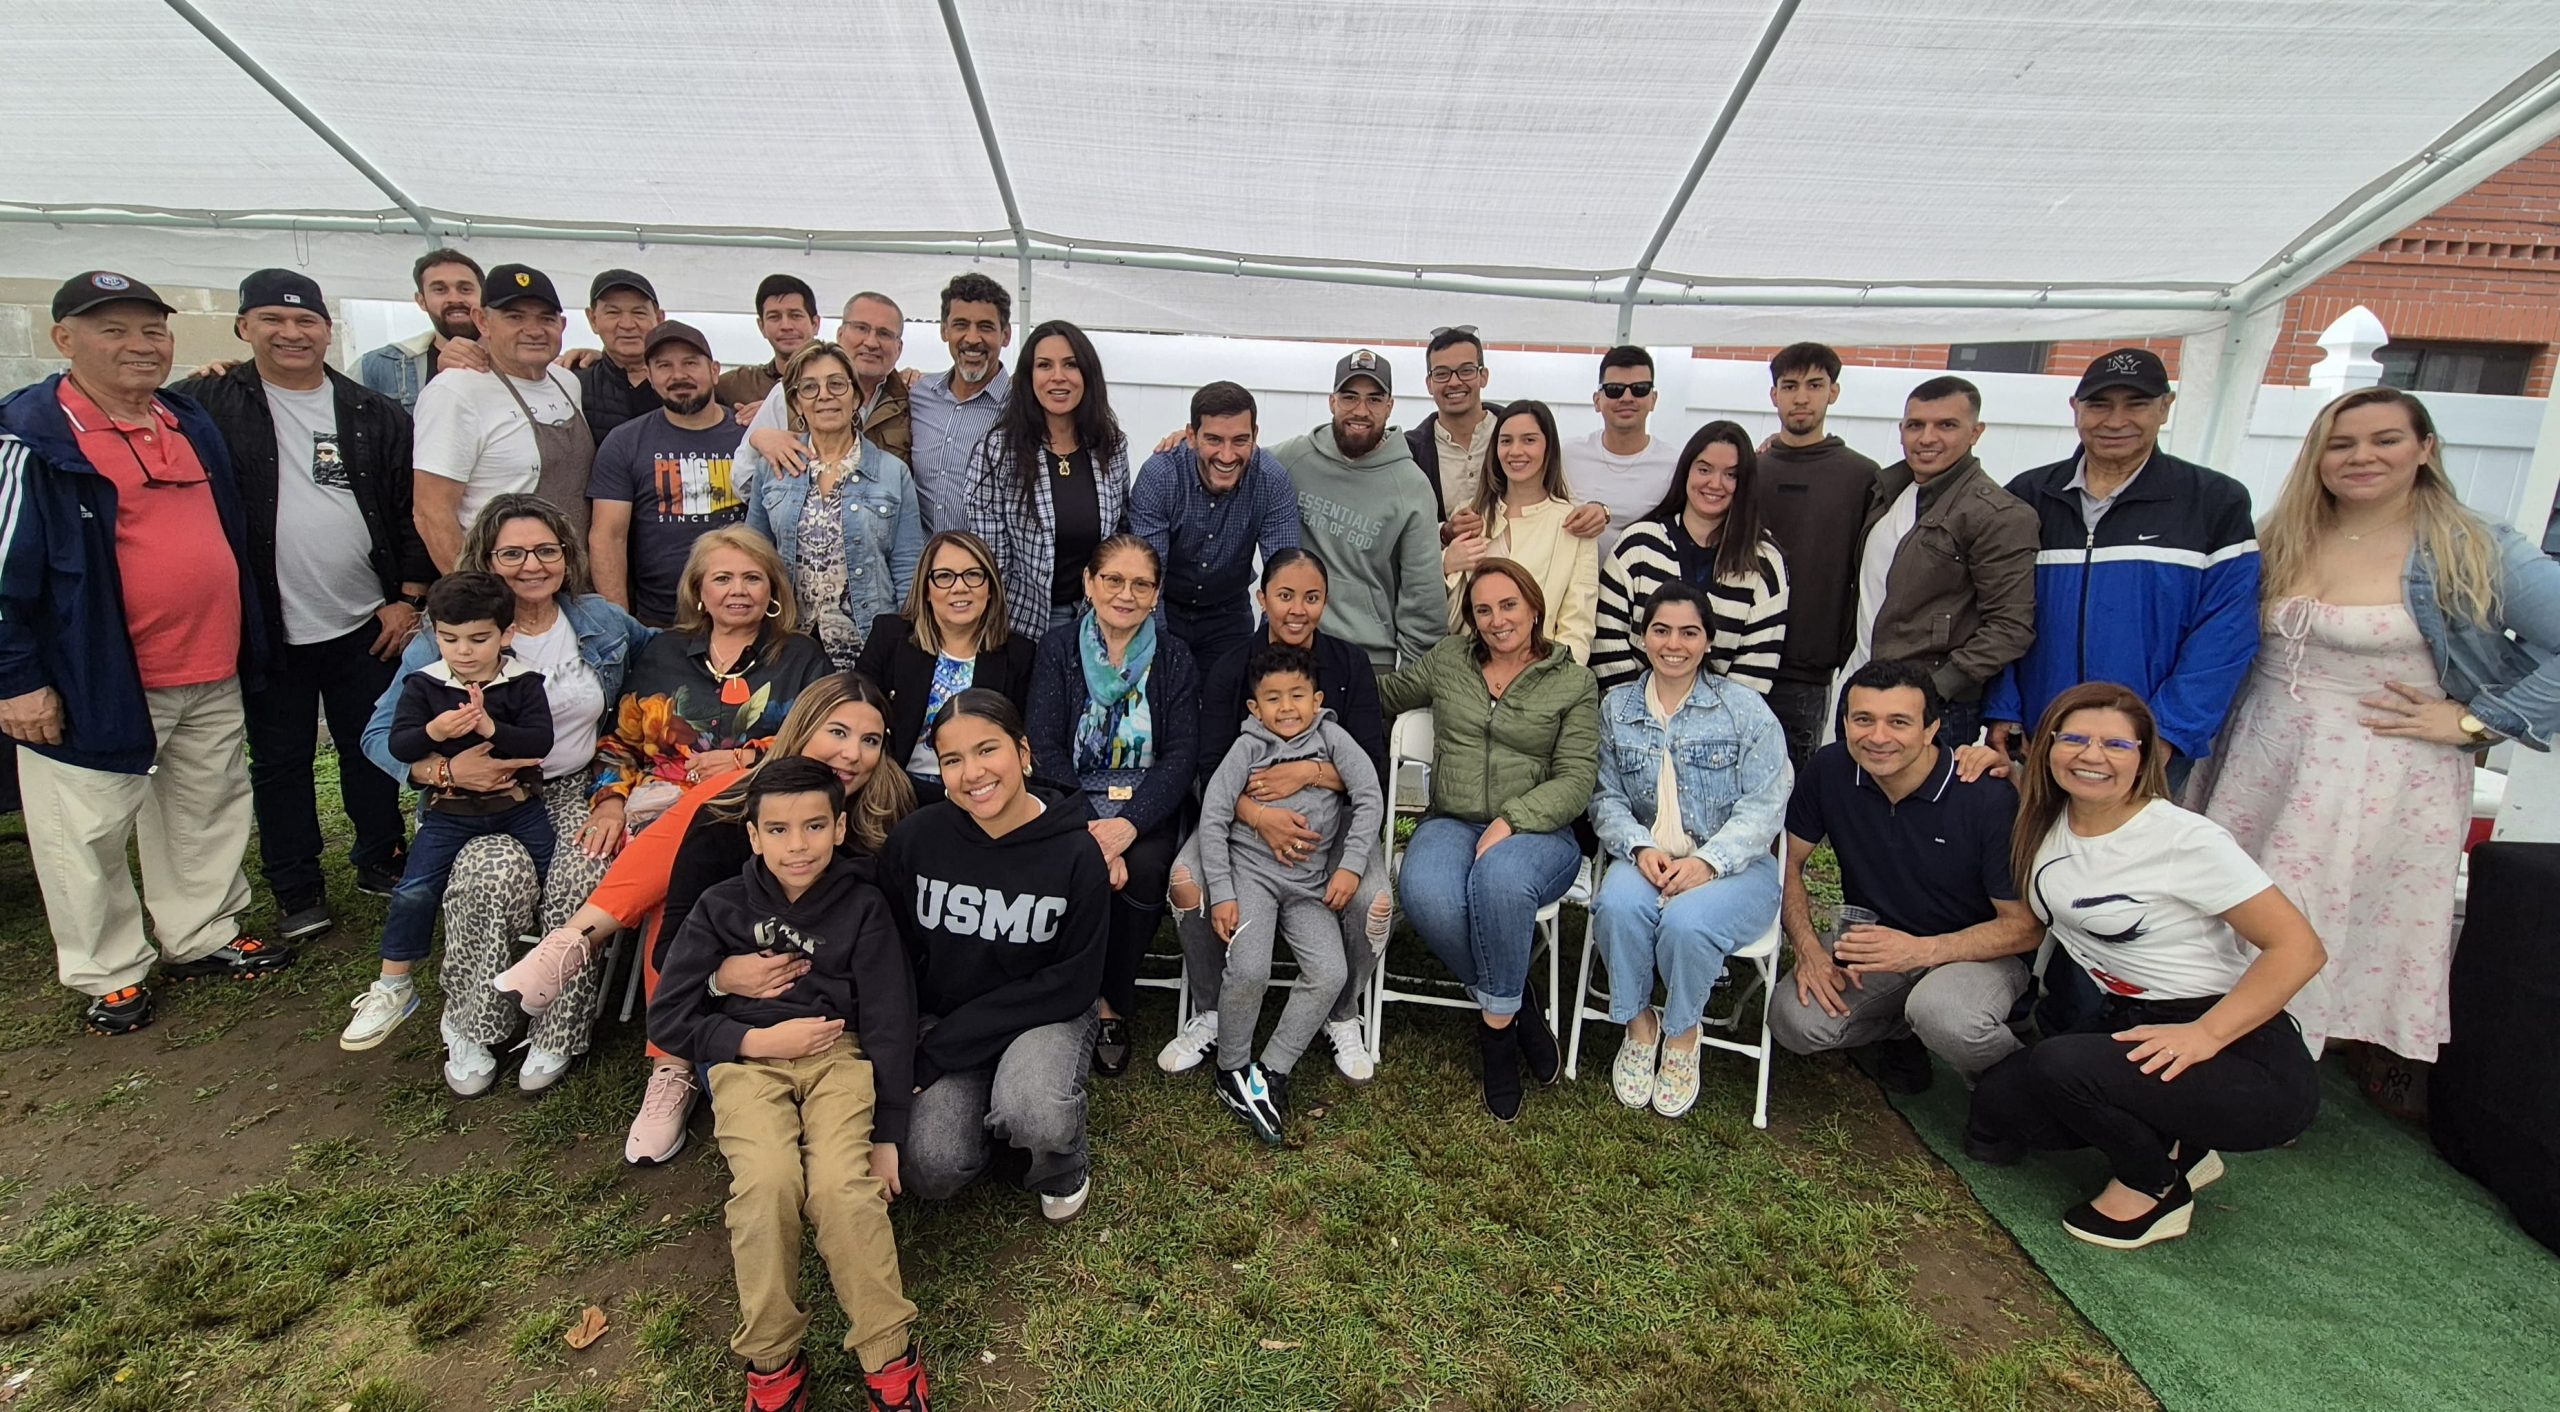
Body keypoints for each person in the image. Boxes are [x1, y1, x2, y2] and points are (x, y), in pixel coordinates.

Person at [2197, 386, 2560, 1079]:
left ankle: (2274, 1078)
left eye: (2385, 440)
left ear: (2425, 449)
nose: (2361, 456)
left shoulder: (2471, 545)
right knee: (2231, 905)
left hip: (2378, 776)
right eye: (2341, 443)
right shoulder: (2283, 532)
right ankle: (2213, 1051)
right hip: (2257, 760)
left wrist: (2479, 720)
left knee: (2312, 919)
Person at [0, 271, 291, 1036]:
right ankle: (109, 970)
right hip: (96, 675)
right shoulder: (32, 434)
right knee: (85, 829)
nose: (140, 345)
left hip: (208, 661)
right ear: (64, 339)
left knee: (206, 806)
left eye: (152, 330)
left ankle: (201, 933)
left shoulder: (186, 418)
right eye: (114, 330)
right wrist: (16, 678)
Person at [495, 673, 918, 1167]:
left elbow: (892, 962)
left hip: (835, 1016)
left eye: (870, 741)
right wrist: (720, 977)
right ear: (803, 728)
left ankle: (578, 941)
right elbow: (674, 944)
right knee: (711, 819)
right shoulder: (729, 818)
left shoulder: (887, 816)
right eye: (838, 732)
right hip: (739, 1016)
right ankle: (669, 1065)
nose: (852, 755)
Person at [1966, 683, 2325, 1251]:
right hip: (2129, 1016)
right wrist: (1994, 764)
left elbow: (2300, 948)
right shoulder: (2046, 816)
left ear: (2146, 756)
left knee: (2060, 1066)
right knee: (1997, 1112)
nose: (2092, 755)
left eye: (2116, 744)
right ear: (2046, 745)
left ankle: (2155, 1184)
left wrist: (2205, 1035)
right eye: (2074, 739)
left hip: (2234, 1045)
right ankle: (2184, 1143)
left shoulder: (2184, 839)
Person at [647, 755, 933, 1411]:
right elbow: (670, 1017)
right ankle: (773, 1361)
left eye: (814, 827)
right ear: (753, 835)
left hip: (839, 1056)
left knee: (841, 1187)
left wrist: (888, 1134)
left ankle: (888, 1355)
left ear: (840, 828)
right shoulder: (721, 906)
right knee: (767, 1185)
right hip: (748, 1064)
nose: (797, 845)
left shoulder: (863, 906)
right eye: (778, 830)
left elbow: (890, 1021)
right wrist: (751, 1041)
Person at [361, 495, 654, 1094]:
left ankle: (558, 1028)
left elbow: (670, 661)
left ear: (567, 556)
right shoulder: (450, 636)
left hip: (576, 784)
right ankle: (474, 1022)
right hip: (478, 796)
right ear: (487, 560)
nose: (532, 565)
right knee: (491, 875)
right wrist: (444, 773)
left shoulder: (600, 621)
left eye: (546, 550)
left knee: (584, 871)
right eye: (512, 553)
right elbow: (378, 734)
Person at [170, 268, 430, 939]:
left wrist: (406, 597)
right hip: (267, 622)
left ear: (326, 329)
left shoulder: (373, 411)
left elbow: (408, 507)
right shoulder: (203, 403)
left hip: (365, 617)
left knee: (369, 744)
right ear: (243, 327)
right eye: (272, 320)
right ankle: (296, 885)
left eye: (305, 320)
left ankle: (380, 855)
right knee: (279, 758)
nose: (291, 333)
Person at [1984, 348, 2261, 790]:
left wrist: (2170, 731)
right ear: (2075, 408)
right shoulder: (2028, 495)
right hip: (2044, 733)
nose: (2115, 421)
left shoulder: (2213, 501)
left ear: (2165, 407)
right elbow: (1998, 610)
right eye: (2099, 405)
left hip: (2149, 745)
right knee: (2035, 835)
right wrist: (2004, 707)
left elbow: (2225, 631)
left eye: (2136, 404)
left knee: (2136, 838)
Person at [1381, 558, 1598, 1120]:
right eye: (1483, 610)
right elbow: (1385, 695)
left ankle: (1496, 1038)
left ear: (1533, 608)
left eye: (1508, 605)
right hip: (1451, 821)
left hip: (1539, 832)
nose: (1497, 620)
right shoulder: (1449, 659)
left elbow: (1577, 779)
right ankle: (1517, 1001)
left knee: (1499, 880)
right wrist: (1312, 670)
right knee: (1425, 891)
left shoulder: (1572, 681)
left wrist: (1513, 819)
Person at [884, 689, 1111, 1225]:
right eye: (952, 759)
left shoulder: (1077, 852)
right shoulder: (916, 840)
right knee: (930, 1165)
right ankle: (991, 1130)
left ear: (1023, 752)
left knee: (1034, 1111)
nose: (973, 773)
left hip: (1044, 1016)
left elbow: (1073, 983)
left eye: (987, 749)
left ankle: (1058, 1163)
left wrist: (943, 1048)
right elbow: (894, 952)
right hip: (947, 1016)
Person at [1162, 548, 1389, 1083]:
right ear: (1262, 598)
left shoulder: (1348, 664)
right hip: (1240, 824)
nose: (1297, 609)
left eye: (1311, 597)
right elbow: (1210, 768)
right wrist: (1259, 816)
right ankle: (1212, 1009)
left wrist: (1308, 773)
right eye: (1285, 596)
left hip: (1330, 826)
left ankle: (1341, 1012)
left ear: (1325, 602)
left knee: (1372, 900)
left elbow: (1370, 772)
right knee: (1187, 879)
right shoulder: (1232, 666)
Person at [1768, 659, 2040, 1092]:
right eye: (1863, 719)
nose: (1878, 737)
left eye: (1898, 722)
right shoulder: (1831, 769)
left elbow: (2025, 928)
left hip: (1979, 953)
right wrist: (1808, 949)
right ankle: (1903, 1029)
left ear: (1931, 729)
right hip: (1878, 942)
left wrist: (1920, 951)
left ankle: (2025, 1087)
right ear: (1844, 723)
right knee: (1794, 1020)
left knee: (1946, 1015)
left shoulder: (1984, 794)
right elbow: (1787, 861)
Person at [1587, 584, 1789, 1118]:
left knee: (1686, 923)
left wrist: (1708, 862)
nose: (1673, 644)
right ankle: (1639, 1025)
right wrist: (1638, 846)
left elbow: (1766, 804)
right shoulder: (1617, 708)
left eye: (1688, 632)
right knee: (1616, 906)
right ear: (1642, 637)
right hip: (1647, 857)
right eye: (1661, 630)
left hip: (1735, 867)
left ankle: (1682, 1032)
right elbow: (1604, 796)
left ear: (1708, 642)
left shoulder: (1744, 709)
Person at [342, 572, 557, 1052]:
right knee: (415, 888)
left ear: (506, 634)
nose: (463, 651)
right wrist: (435, 733)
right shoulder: (424, 685)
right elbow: (399, 744)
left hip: (517, 806)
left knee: (556, 873)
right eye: (449, 638)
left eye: (478, 639)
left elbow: (539, 742)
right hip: (450, 811)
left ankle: (550, 963)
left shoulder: (524, 683)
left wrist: (489, 726)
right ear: (435, 635)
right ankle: (393, 984)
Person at [1195, 644, 1386, 1143]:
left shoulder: (1332, 738)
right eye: (1273, 698)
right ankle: (1231, 1068)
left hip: (1310, 884)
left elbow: (1369, 796)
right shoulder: (1246, 748)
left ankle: (1272, 1069)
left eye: (1297, 695)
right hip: (1251, 876)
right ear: (1254, 708)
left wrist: (1350, 867)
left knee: (1330, 972)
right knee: (1250, 968)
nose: (1286, 707)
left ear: (1317, 699)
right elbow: (1214, 815)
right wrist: (1222, 892)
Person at [1027, 536, 1199, 1074]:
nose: (1126, 594)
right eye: (1113, 580)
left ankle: (1111, 1003)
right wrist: (1091, 828)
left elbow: (1181, 756)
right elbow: (1044, 745)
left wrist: (1126, 828)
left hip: (1146, 803)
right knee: (1072, 867)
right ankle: (1062, 992)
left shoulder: (1175, 656)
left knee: (1143, 873)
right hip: (1070, 801)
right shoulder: (1057, 649)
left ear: (1156, 594)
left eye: (1141, 584)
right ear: (1089, 583)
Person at [1831, 376, 2037, 749]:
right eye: (1916, 425)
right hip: (1861, 691)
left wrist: (1934, 688)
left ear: (1976, 432)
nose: (1927, 438)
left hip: (1934, 708)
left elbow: (2011, 626)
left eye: (1946, 425)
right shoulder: (1888, 492)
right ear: (1901, 430)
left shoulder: (1997, 514)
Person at [589, 526, 831, 836]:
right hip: (657, 813)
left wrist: (745, 759)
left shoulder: (802, 656)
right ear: (699, 591)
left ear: (772, 589)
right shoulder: (663, 650)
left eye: (752, 578)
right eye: (722, 579)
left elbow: (824, 744)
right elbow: (618, 744)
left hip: (759, 814)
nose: (738, 590)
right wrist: (609, 803)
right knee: (591, 853)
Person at [741, 342, 926, 668]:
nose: (824, 395)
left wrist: (903, 646)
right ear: (796, 403)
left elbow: (908, 569)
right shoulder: (773, 468)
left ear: (856, 397)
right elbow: (752, 558)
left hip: (868, 643)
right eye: (809, 387)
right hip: (789, 645)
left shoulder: (892, 472)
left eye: (836, 384)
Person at [1269, 349, 1447, 669]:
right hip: (1289, 647)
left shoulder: (1411, 487)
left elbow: (1423, 599)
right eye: (1350, 397)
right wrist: (1185, 444)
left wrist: (1411, 682)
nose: (1361, 411)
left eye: (1374, 400)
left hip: (1367, 661)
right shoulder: (1294, 458)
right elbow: (1233, 459)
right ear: (1332, 402)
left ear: (1389, 406)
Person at [412, 263, 593, 567]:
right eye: (515, 317)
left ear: (562, 325)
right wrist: (471, 589)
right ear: (482, 321)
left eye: (546, 318)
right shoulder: (455, 391)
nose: (533, 331)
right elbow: (431, 513)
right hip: (500, 578)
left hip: (568, 573)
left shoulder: (567, 382)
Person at [1591, 420, 1790, 693]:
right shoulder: (1637, 545)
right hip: (1629, 710)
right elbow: (1606, 640)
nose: (1715, 483)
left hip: (1725, 716)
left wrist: (1707, 717)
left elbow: (1756, 668)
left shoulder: (1764, 563)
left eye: (1731, 474)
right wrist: (1635, 710)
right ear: (1686, 470)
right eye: (1704, 469)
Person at [1756, 343, 1882, 771]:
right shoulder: (1749, 471)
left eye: (1814, 385)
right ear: (1774, 395)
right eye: (1790, 386)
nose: (1801, 397)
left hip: (1809, 666)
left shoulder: (1862, 476)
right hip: (1738, 659)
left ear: (1834, 392)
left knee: (1796, 782)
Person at [968, 320, 1131, 642]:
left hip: (1097, 620)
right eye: (1044, 365)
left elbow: (1122, 532)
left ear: (1088, 374)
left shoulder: (1111, 446)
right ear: (1029, 377)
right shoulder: (998, 450)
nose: (1058, 376)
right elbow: (989, 556)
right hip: (1018, 624)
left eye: (1070, 364)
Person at [588, 320, 749, 626]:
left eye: (690, 363)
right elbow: (607, 537)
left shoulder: (752, 435)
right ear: (649, 376)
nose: (678, 375)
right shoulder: (624, 442)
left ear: (714, 371)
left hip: (746, 616)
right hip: (660, 622)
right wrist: (621, 625)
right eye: (664, 366)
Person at [1130, 381, 1302, 668]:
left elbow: (1285, 576)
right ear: (1191, 436)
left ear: (1255, 435)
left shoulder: (1272, 480)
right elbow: (1146, 576)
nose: (1227, 455)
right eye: (1214, 440)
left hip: (1228, 616)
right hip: (1163, 606)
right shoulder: (1160, 475)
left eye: (1240, 440)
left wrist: (1267, 653)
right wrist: (1160, 656)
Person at [855, 530, 1039, 790]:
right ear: (926, 589)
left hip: (978, 790)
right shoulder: (889, 637)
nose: (959, 587)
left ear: (990, 588)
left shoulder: (1019, 654)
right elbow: (857, 714)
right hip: (895, 788)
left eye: (973, 575)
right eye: (944, 576)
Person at [1440, 400, 1601, 660]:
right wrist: (1447, 565)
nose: (1515, 451)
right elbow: (1447, 618)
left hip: (1543, 672)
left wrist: (1555, 677)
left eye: (1529, 440)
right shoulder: (1470, 516)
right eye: (1506, 441)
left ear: (1549, 447)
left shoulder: (1573, 524)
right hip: (1469, 668)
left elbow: (1577, 626)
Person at [739, 292, 915, 478]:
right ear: (840, 334)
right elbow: (742, 477)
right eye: (861, 328)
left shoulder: (913, 400)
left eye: (884, 333)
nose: (871, 342)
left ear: (899, 348)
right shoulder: (790, 392)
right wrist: (758, 440)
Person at [907, 273, 1013, 534]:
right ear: (944, 330)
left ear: (1005, 335)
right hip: (923, 557)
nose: (972, 338)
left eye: (985, 327)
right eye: (961, 324)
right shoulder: (917, 394)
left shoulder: (1022, 407)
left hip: (987, 558)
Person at [1561, 345, 1681, 547]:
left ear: (1653, 399)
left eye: (1640, 389)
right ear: (1597, 400)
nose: (1627, 398)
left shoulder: (1675, 465)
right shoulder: (1566, 455)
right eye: (1614, 390)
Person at [358, 248, 483, 411]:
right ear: (421, 301)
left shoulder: (511, 359)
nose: (455, 299)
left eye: (465, 289)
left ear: (484, 296)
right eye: (440, 290)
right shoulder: (381, 366)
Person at [1405, 324, 1497, 521]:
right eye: (1441, 374)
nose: (1454, 382)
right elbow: (1403, 521)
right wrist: (1443, 532)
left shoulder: (1519, 435)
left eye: (1466, 371)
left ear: (1483, 377)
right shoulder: (1409, 453)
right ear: (1429, 384)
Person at [573, 269, 666, 445]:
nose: (627, 325)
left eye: (639, 313)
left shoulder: (686, 384)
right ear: (593, 319)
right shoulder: (572, 384)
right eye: (613, 313)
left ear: (659, 319)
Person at [711, 273, 820, 408]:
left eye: (795, 316)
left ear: (815, 324)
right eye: (774, 317)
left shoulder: (840, 380)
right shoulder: (737, 385)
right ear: (761, 326)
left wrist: (771, 413)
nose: (786, 326)